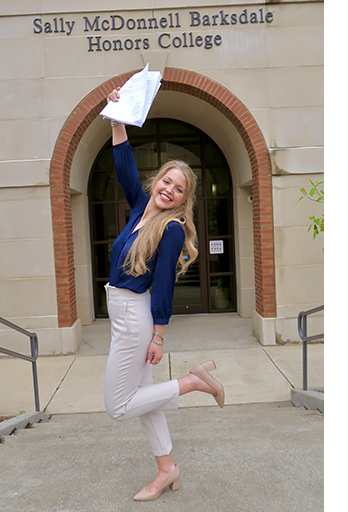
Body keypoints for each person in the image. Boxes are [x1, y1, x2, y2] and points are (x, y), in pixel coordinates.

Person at [103, 86, 226, 502]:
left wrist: (157, 335)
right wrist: (118, 117)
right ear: (157, 182)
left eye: (178, 189)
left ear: (183, 201)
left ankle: (193, 381)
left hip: (136, 318)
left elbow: (163, 286)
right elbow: (124, 168)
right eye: (167, 181)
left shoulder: (171, 229)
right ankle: (167, 469)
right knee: (146, 403)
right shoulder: (139, 209)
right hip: (123, 313)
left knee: (119, 405)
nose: (169, 190)